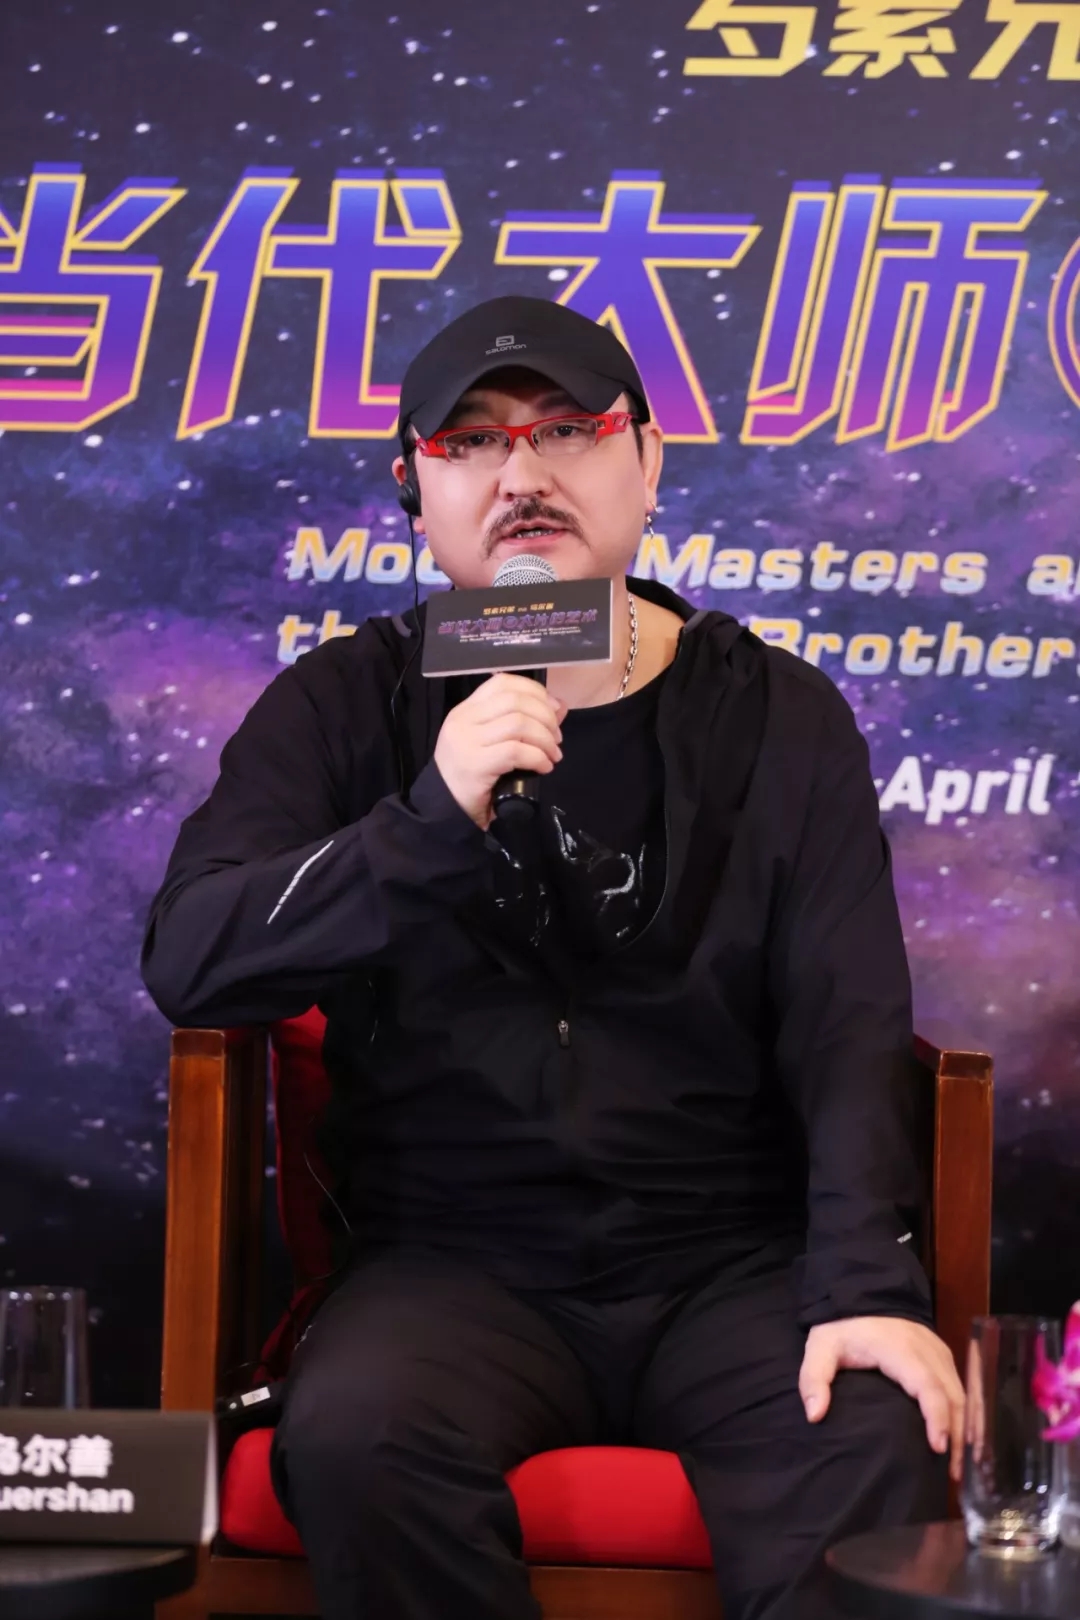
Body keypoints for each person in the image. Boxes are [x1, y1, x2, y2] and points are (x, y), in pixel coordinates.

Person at [141, 295, 964, 1620]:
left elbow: (848, 1018)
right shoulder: (344, 705)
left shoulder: (780, 715)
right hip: (449, 1270)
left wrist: (868, 1286)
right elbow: (193, 955)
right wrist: (428, 820)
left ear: (648, 462)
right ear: (414, 491)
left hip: (731, 1265)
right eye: (471, 444)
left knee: (871, 1434)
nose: (521, 475)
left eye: (568, 431)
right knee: (358, 1439)